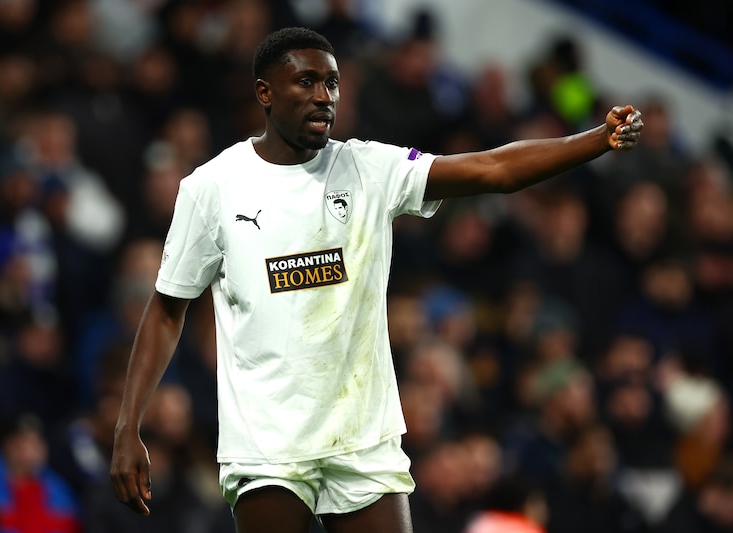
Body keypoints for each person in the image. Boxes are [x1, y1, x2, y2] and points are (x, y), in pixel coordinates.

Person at [110, 26, 644, 533]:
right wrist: (128, 425)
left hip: (362, 440)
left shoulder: (369, 168)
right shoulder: (213, 187)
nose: (324, 96)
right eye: (306, 82)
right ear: (264, 93)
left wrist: (597, 140)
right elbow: (166, 309)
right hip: (267, 441)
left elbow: (493, 170)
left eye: (332, 83)